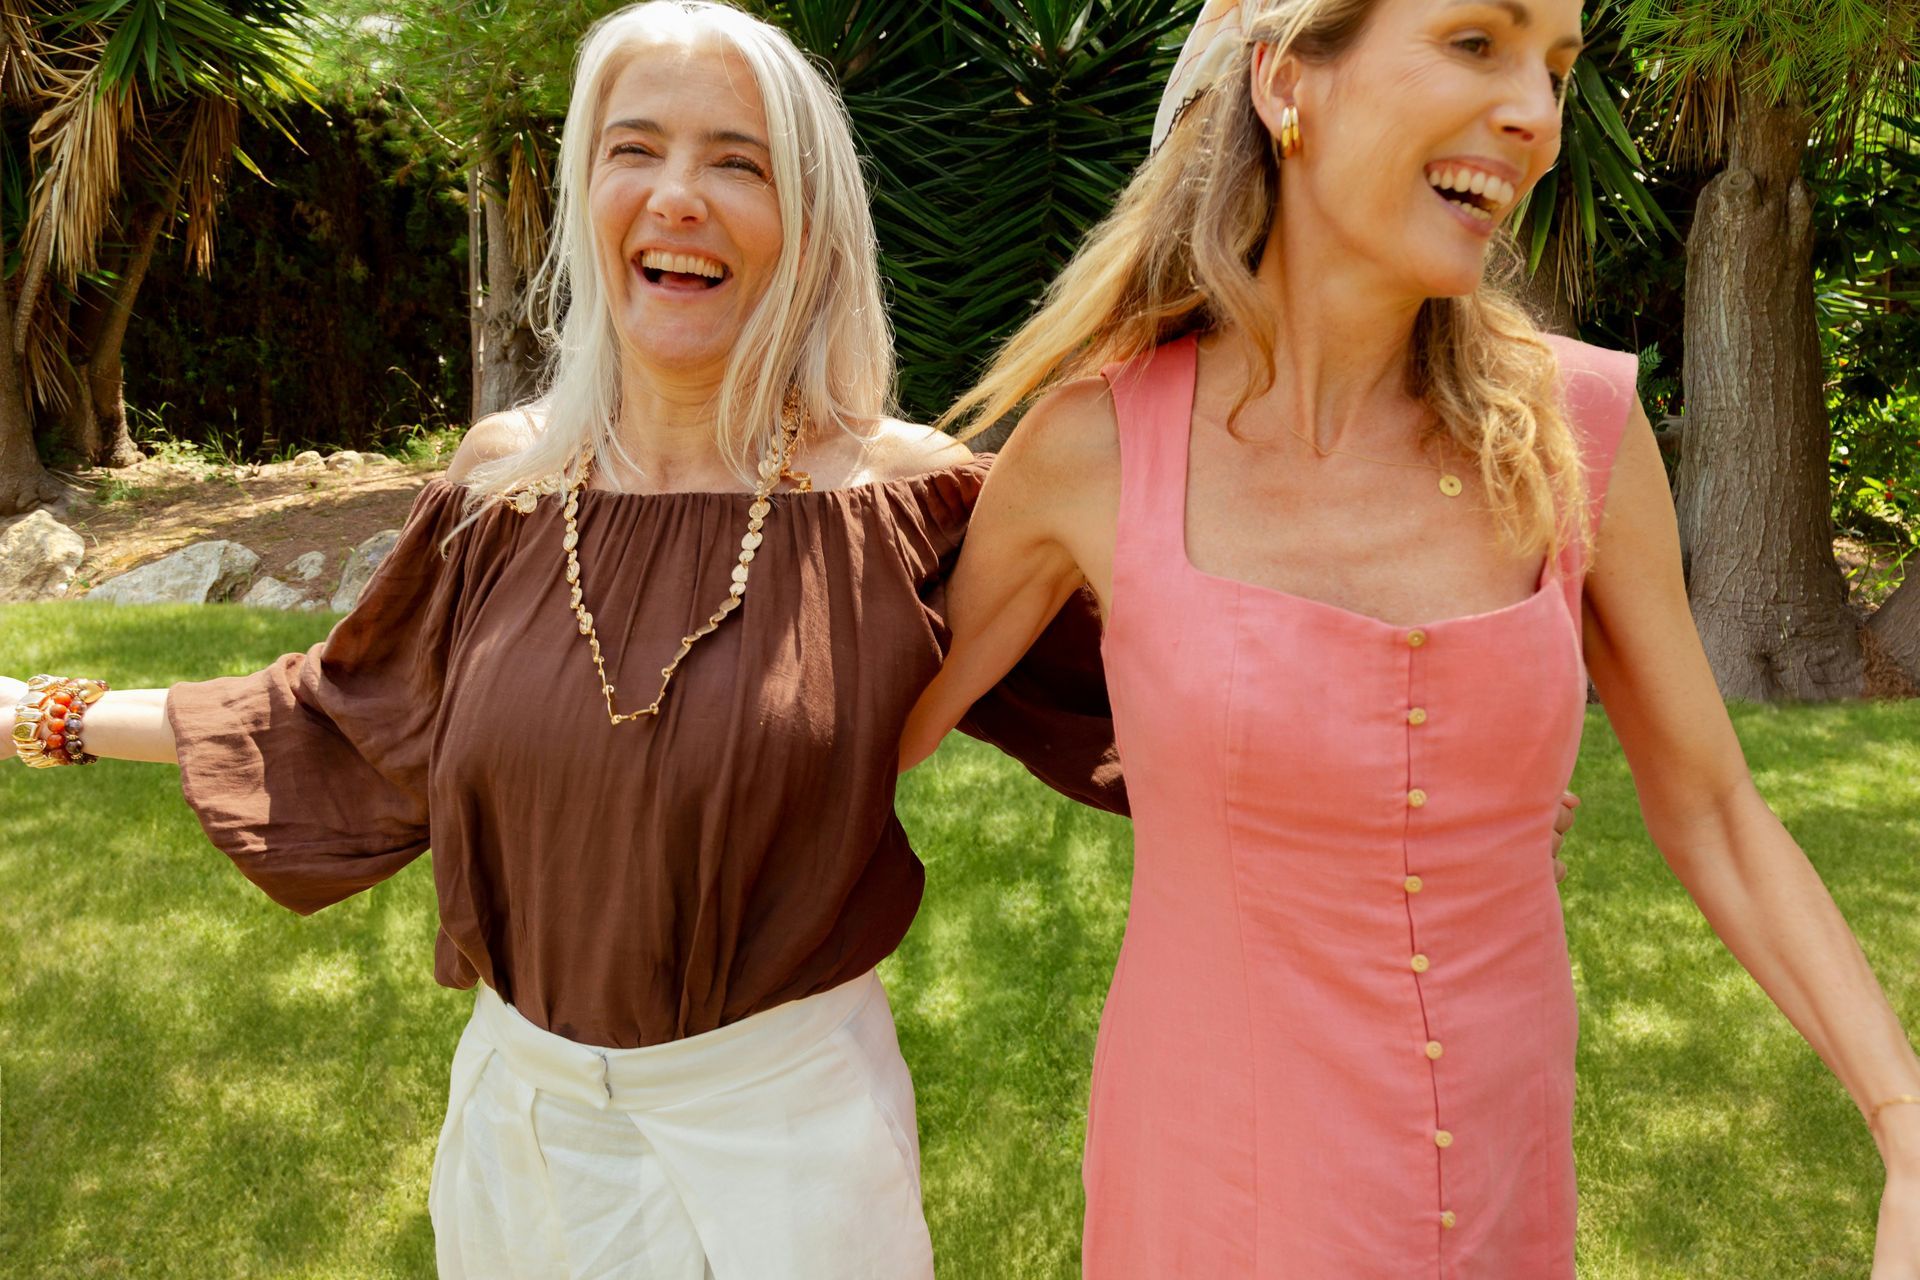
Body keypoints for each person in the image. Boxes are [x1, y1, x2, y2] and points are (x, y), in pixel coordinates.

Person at [1, 4, 1125, 1276]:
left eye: (738, 162)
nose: (676, 196)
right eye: (633, 149)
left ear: (811, 220)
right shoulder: (505, 482)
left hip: (789, 1153)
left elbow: (1163, 712)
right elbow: (344, 717)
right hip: (522, 1142)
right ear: (589, 195)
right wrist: (38, 713)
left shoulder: (903, 500)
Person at [900, 0, 1920, 1275]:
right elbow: (864, 735)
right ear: (1288, 82)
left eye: (1557, 71)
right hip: (1214, 1191)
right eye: (1477, 43)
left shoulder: (1577, 433)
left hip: (1499, 1191)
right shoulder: (1094, 449)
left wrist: (1904, 1120)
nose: (1537, 116)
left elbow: (1712, 807)